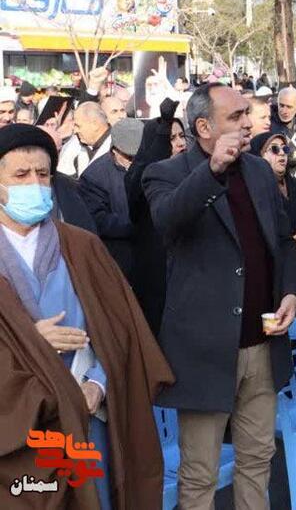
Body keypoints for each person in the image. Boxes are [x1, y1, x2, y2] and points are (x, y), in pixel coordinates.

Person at [143, 83, 296, 510]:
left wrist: (291, 292)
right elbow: (168, 221)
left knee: (258, 459)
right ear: (203, 127)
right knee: (200, 475)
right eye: (235, 117)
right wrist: (211, 171)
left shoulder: (257, 171)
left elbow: (284, 241)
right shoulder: (167, 173)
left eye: (246, 114)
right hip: (205, 353)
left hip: (262, 343)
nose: (248, 123)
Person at [0, 123, 174, 510]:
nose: (35, 184)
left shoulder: (82, 246)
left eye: (43, 175)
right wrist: (32, 340)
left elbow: (122, 330)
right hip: (20, 428)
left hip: (90, 410)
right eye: (21, 175)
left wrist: (98, 384)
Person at [126, 99, 186, 336]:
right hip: (155, 284)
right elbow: (145, 175)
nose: (180, 143)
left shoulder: (194, 174)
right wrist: (163, 129)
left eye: (182, 136)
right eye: (172, 138)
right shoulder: (138, 178)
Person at [251, 131, 296, 315]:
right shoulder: (255, 191)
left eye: (285, 149)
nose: (282, 154)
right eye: (274, 149)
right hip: (275, 278)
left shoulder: (295, 185)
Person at [78, 117, 143, 283]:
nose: (135, 163)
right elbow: (98, 220)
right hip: (122, 262)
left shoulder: (151, 164)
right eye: (129, 158)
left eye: (139, 156)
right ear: (115, 150)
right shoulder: (94, 177)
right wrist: (139, 225)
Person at [58, 102, 112, 178]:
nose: (75, 130)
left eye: (78, 126)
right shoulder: (73, 146)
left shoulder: (118, 148)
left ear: (95, 125)